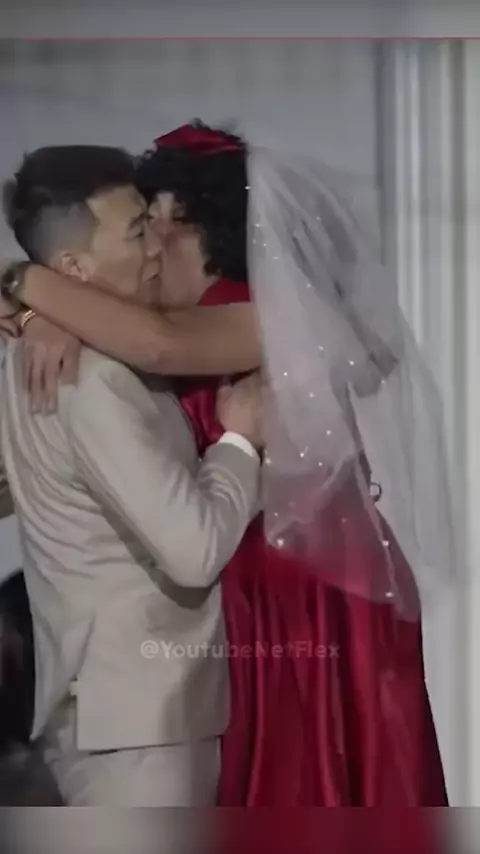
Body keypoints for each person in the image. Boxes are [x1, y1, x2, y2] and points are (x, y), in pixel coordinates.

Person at [0, 127, 452, 805]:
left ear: (212, 230)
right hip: (235, 594)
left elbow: (160, 345)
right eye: (143, 226)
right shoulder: (123, 330)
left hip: (298, 588)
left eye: (164, 221)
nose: (154, 243)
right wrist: (44, 311)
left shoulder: (254, 316)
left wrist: (28, 284)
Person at [0, 144, 264, 806]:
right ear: (73, 269)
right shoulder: (94, 376)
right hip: (140, 718)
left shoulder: (48, 352)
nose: (155, 247)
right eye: (138, 231)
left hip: (119, 713)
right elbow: (194, 550)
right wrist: (239, 439)